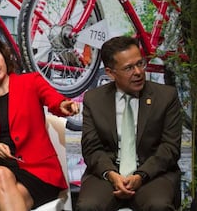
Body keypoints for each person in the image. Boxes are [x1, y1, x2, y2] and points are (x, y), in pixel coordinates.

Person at [0, 33, 79, 211]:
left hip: (37, 172)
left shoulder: (31, 82)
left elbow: (53, 99)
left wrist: (63, 104)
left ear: (3, 55)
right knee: (1, 174)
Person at [76, 36, 182, 211]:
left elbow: (170, 147)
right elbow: (91, 148)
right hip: (109, 173)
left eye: (140, 64)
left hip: (152, 172)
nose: (138, 72)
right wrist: (112, 175)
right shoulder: (94, 99)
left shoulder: (166, 97)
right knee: (88, 206)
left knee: (159, 206)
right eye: (128, 68)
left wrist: (141, 175)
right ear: (110, 72)